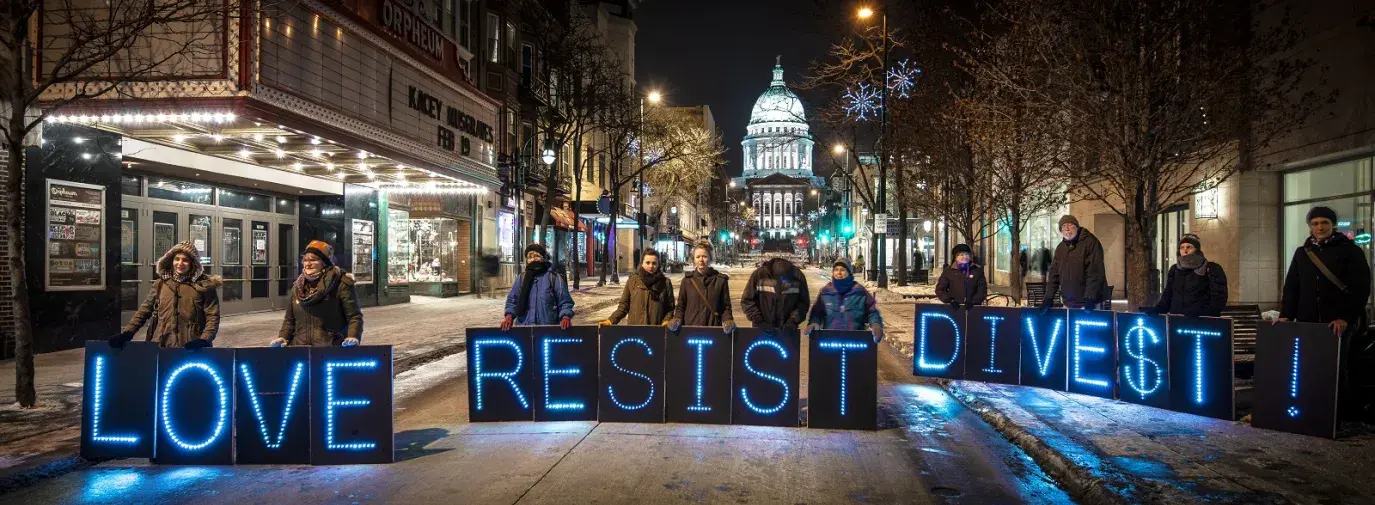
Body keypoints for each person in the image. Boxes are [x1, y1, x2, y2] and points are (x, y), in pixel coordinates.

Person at [1277, 206, 1372, 420]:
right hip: (1307, 320)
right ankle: (1312, 410)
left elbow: (1361, 288)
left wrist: (1346, 317)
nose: (1320, 227)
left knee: (1336, 368)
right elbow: (1292, 285)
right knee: (1309, 366)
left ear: (1333, 225)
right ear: (1310, 226)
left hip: (1337, 321)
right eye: (1315, 223)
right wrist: (1286, 314)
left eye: (1325, 223)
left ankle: (1339, 415)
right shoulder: (1303, 252)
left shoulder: (1351, 251)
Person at [111, 241, 221, 349]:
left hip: (191, 346)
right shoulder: (161, 284)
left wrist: (204, 340)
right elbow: (144, 310)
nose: (180, 264)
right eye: (177, 259)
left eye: (185, 260)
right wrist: (127, 333)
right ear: (171, 260)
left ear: (193, 263)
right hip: (161, 344)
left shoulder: (204, 286)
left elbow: (212, 317)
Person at [270, 240, 364, 347]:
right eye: (305, 260)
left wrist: (353, 337)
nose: (308, 264)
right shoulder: (297, 286)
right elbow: (289, 320)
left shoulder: (340, 283)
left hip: (330, 348)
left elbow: (354, 317)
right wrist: (283, 337)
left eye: (313, 260)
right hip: (300, 348)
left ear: (324, 262)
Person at [1144, 234, 1228, 317]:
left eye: (1189, 247)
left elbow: (1219, 298)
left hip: (1201, 323)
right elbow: (1167, 296)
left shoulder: (1211, 268)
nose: (1185, 250)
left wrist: (1202, 314)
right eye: (1182, 247)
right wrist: (1156, 310)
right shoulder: (1174, 269)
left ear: (1196, 249)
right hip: (1176, 320)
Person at [805, 259, 883, 343]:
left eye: (842, 270)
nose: (838, 273)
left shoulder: (859, 291)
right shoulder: (826, 291)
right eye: (836, 270)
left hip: (855, 341)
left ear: (849, 272)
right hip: (830, 341)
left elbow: (872, 311)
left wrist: (876, 324)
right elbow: (817, 313)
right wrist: (814, 323)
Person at [501, 243, 575, 330]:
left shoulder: (553, 278)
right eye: (530, 257)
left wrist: (565, 316)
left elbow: (565, 301)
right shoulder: (522, 278)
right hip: (524, 327)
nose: (533, 259)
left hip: (548, 328)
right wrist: (509, 316)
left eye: (536, 256)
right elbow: (512, 300)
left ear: (543, 258)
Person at [1042, 215, 1108, 310]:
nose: (1067, 229)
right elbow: (1054, 275)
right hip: (1068, 302)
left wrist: (1089, 297)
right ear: (1061, 230)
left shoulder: (1090, 243)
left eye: (1070, 225)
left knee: (1088, 325)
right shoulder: (1060, 248)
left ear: (1076, 227)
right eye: (1064, 226)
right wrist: (1048, 297)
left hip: (1088, 302)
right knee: (1069, 325)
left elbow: (1095, 272)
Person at [668, 241, 736, 333]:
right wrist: (677, 319)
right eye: (698, 257)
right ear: (694, 259)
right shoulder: (687, 281)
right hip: (691, 328)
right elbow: (681, 306)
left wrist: (728, 320)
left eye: (704, 256)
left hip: (713, 328)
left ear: (710, 258)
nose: (701, 260)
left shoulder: (720, 281)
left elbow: (726, 307)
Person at [601, 248, 674, 326]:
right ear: (642, 263)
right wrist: (611, 321)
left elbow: (670, 308)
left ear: (658, 264)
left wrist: (666, 321)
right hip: (636, 330)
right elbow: (623, 306)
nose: (651, 266)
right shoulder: (632, 280)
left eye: (654, 263)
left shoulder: (665, 282)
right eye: (647, 262)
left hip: (657, 330)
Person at [741, 256, 810, 330]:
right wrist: (758, 321)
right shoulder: (759, 275)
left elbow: (803, 302)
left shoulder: (798, 276)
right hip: (762, 329)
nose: (783, 283)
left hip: (788, 331)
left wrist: (793, 320)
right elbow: (747, 300)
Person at [935, 243, 988, 309]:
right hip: (954, 308)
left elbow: (982, 289)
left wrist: (974, 302)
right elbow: (940, 289)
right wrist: (949, 301)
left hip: (973, 308)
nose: (964, 257)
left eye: (967, 254)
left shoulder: (977, 270)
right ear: (956, 257)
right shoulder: (949, 271)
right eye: (961, 255)